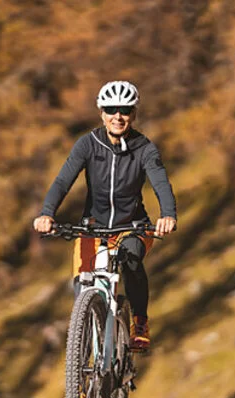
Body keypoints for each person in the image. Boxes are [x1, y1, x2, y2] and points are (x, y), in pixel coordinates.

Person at [33, 80, 177, 353]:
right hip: (93, 228)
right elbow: (63, 181)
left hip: (132, 227)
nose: (117, 116)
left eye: (124, 109)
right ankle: (79, 389)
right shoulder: (88, 144)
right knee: (81, 294)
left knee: (131, 260)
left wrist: (168, 215)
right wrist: (47, 214)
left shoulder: (144, 148)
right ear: (102, 113)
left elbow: (161, 183)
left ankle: (140, 321)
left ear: (133, 114)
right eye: (111, 109)